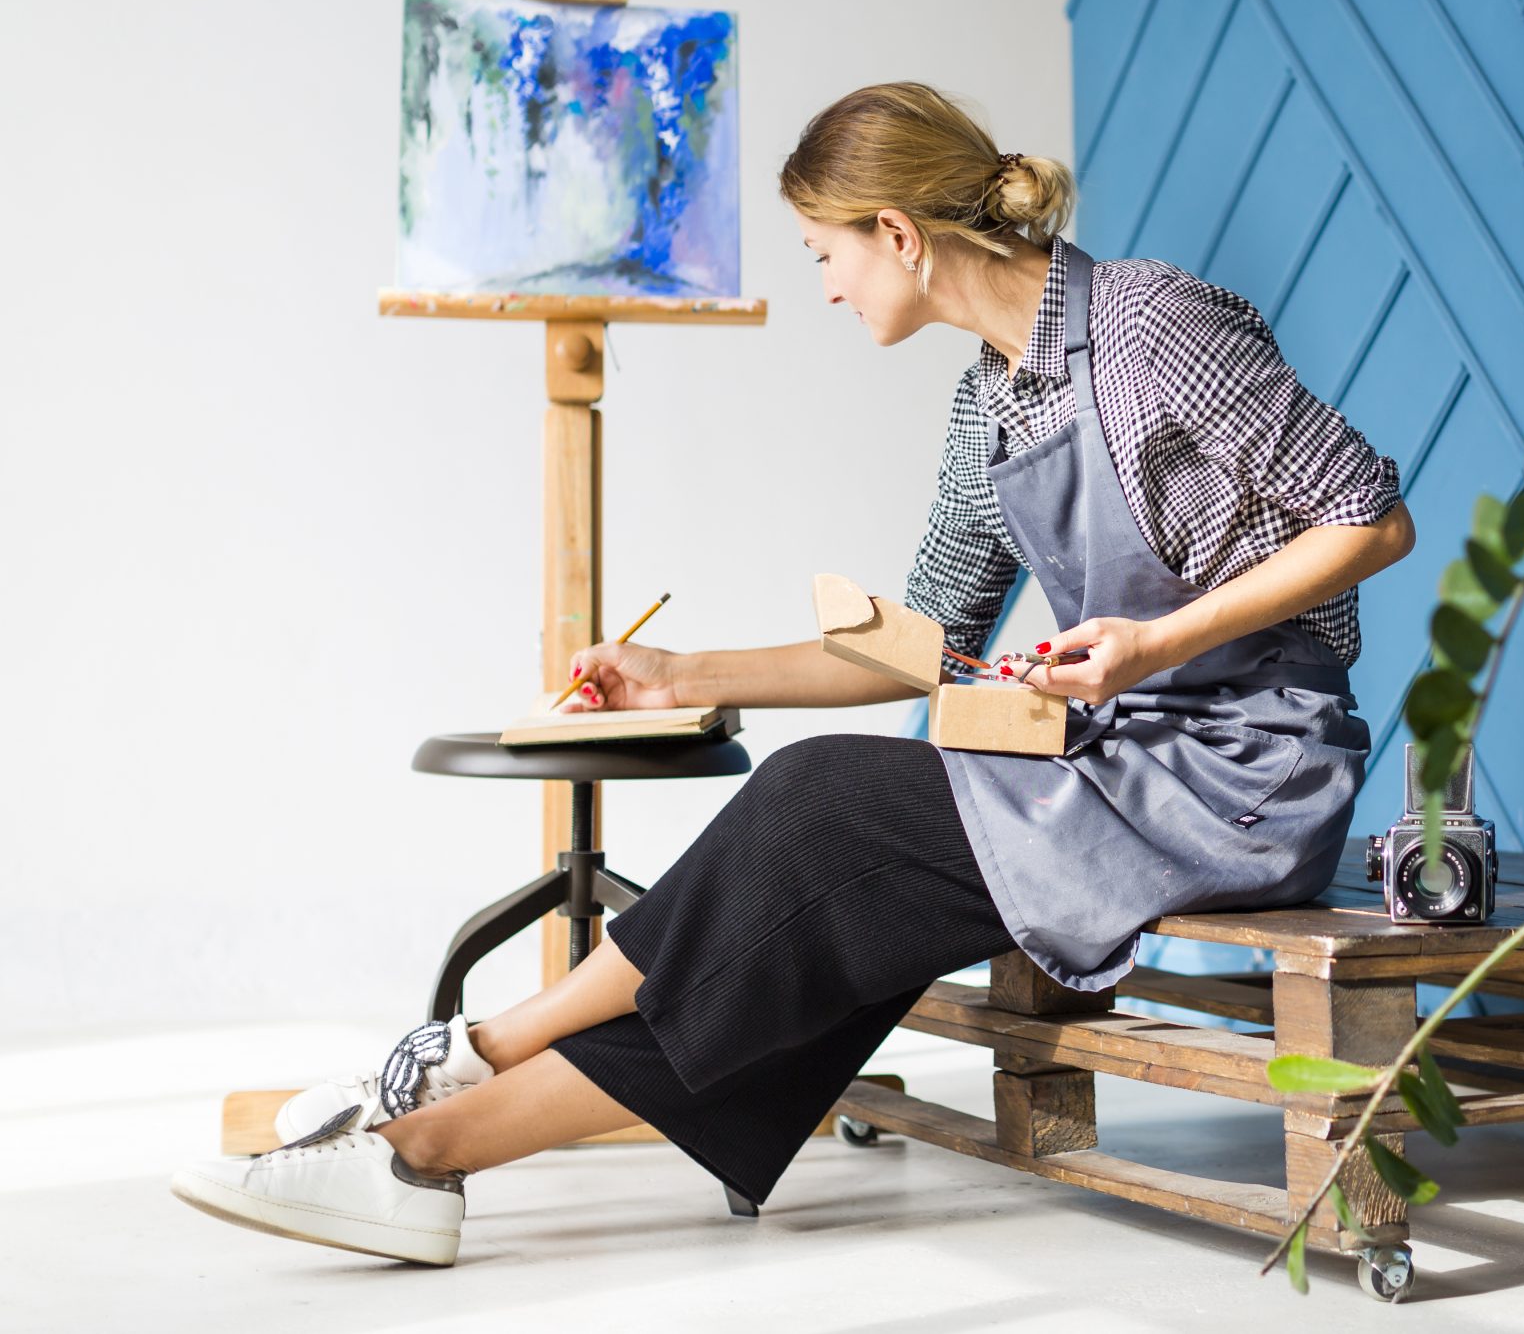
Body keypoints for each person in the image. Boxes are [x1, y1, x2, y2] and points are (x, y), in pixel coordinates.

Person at [171, 81, 1416, 1265]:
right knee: (822, 923)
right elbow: (923, 637)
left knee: (814, 801)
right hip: (1115, 762)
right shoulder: (985, 406)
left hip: (1244, 777)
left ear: (897, 235)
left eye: (826, 252)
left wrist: (1156, 642)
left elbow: (1367, 515)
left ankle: (461, 1069)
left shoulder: (1151, 326)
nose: (824, 285)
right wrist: (679, 674)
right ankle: (425, 1150)